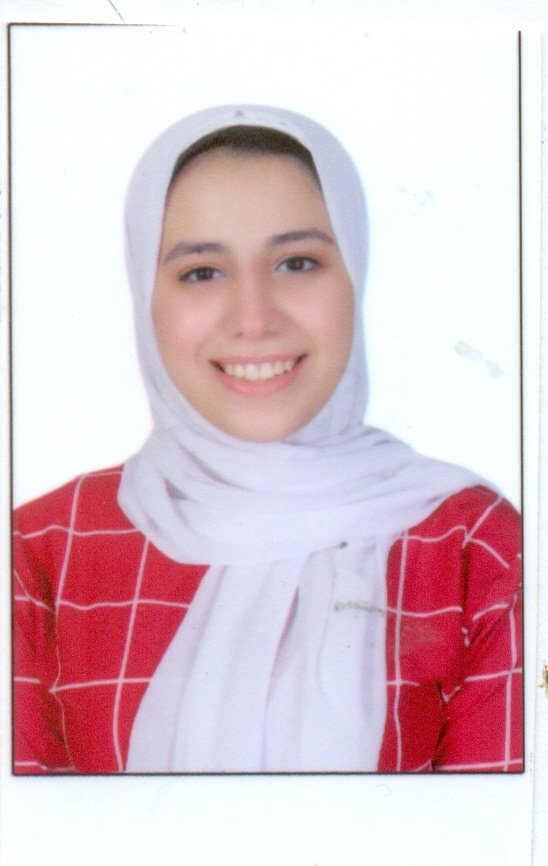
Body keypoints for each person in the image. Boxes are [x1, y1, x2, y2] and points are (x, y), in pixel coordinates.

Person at [13, 105, 522, 775]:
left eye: (297, 263)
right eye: (202, 272)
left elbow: (499, 825)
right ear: (145, 296)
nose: (254, 320)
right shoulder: (40, 554)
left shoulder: (474, 548)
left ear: (355, 276)